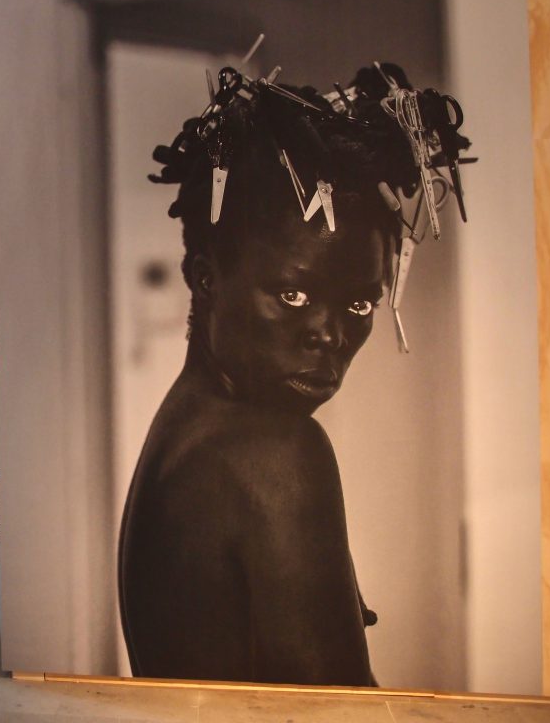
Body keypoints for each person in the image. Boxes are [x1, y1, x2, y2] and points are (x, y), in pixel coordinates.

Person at [118, 63, 472, 686]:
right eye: (293, 295)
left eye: (358, 304)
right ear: (207, 278)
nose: (330, 335)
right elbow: (340, 713)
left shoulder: (184, 424)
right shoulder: (277, 452)